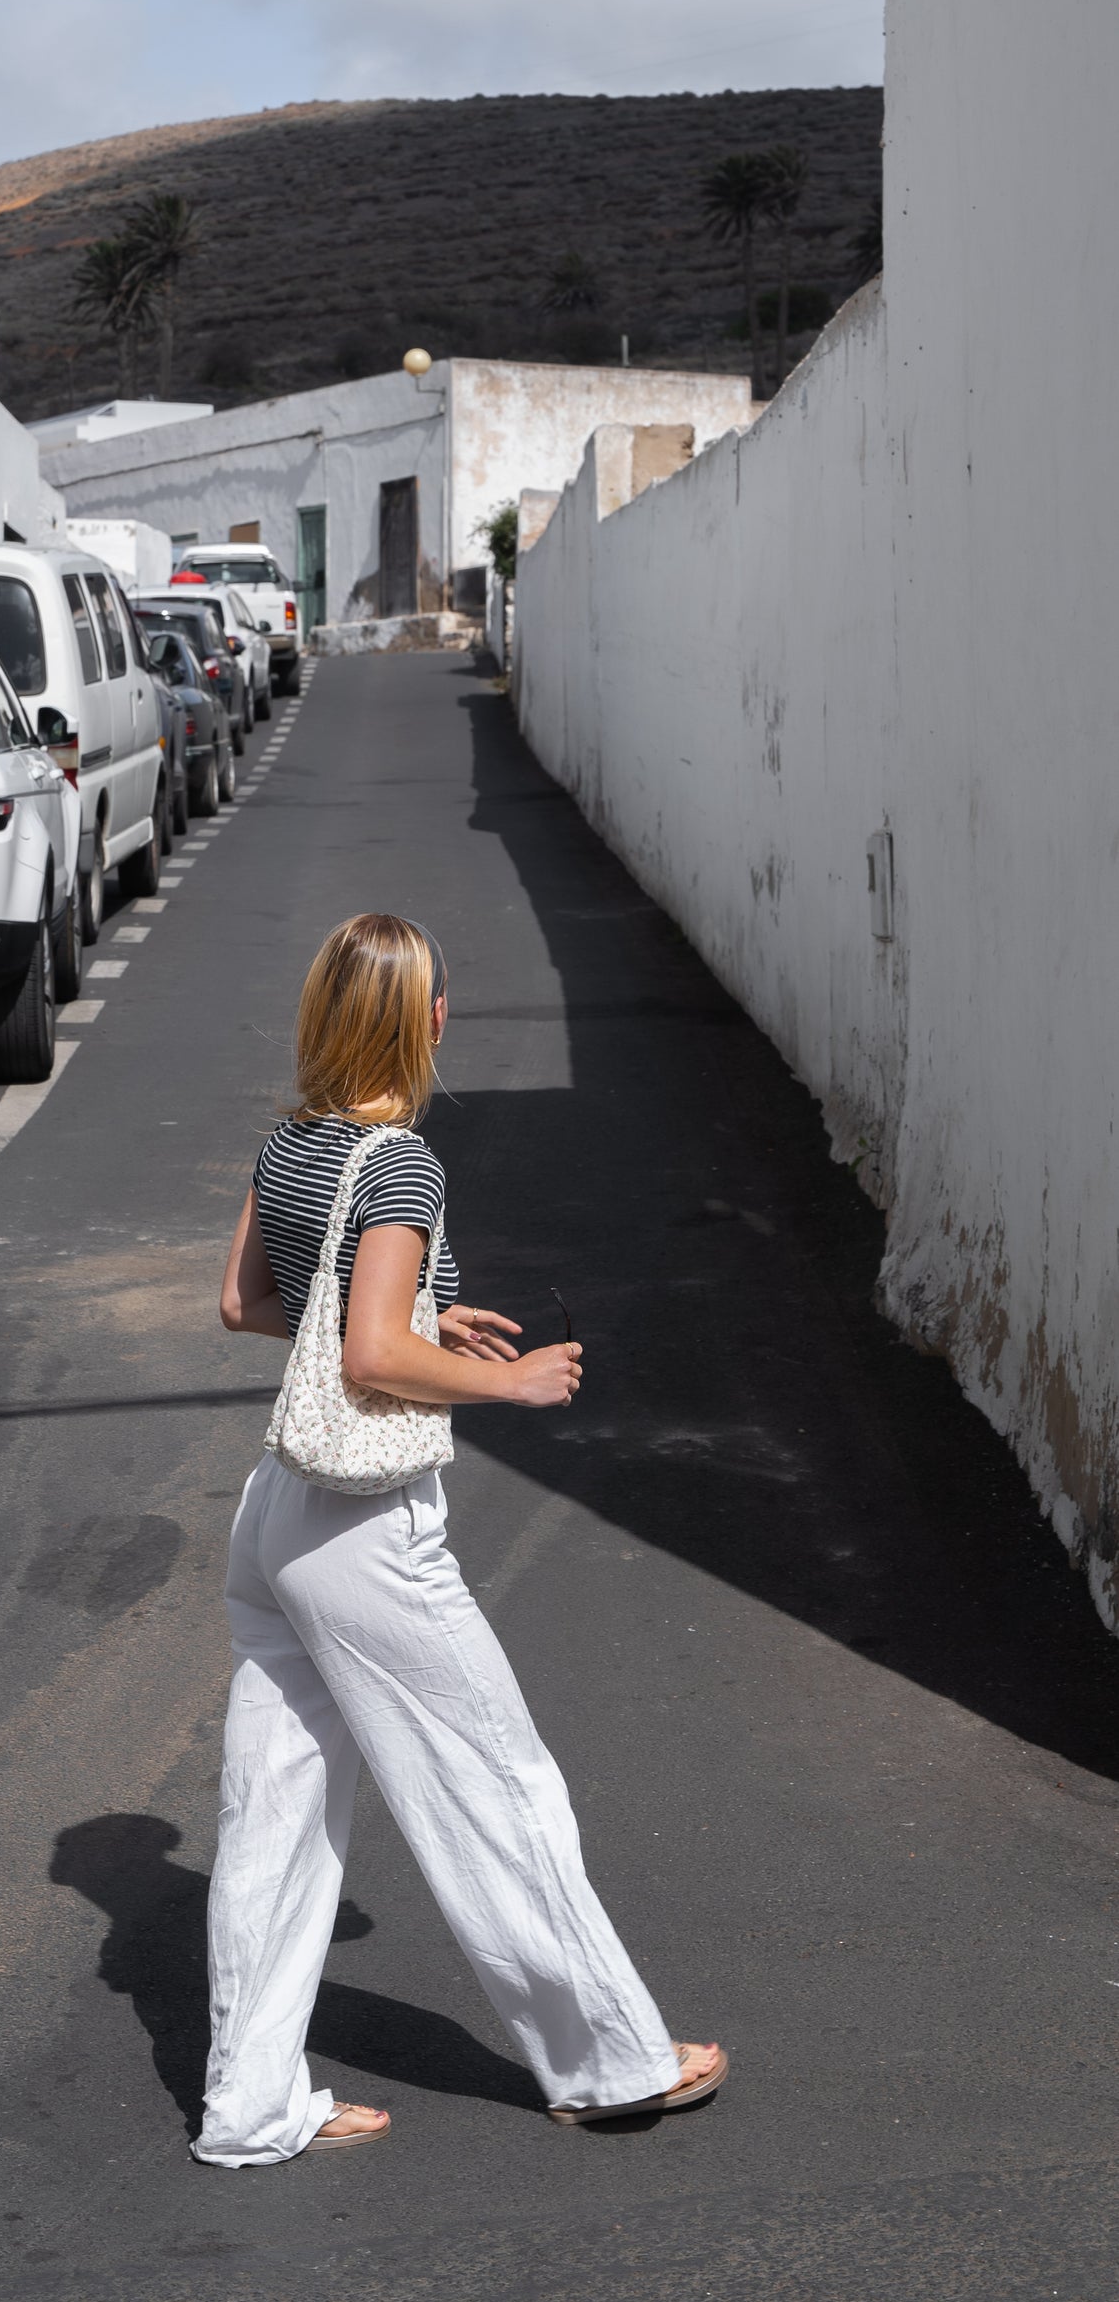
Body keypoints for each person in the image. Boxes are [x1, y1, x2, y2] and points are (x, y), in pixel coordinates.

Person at [194, 911, 726, 2166]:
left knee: (274, 1812)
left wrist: (429, 1313)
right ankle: (609, 2063)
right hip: (364, 1531)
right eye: (438, 997)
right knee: (493, 1783)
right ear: (418, 1020)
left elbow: (247, 1305)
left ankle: (248, 2106)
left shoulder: (291, 1143)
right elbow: (371, 1355)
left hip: (276, 1509)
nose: (446, 1013)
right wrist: (514, 1383)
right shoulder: (399, 1166)